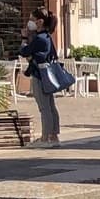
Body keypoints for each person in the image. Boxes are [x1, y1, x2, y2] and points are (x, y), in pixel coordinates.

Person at [22, 9, 62, 147]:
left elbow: (24, 51)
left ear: (39, 21)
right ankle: (54, 136)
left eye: (32, 19)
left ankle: (45, 138)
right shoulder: (47, 37)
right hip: (48, 75)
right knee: (50, 106)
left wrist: (24, 39)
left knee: (44, 107)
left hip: (40, 75)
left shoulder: (40, 38)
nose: (29, 22)